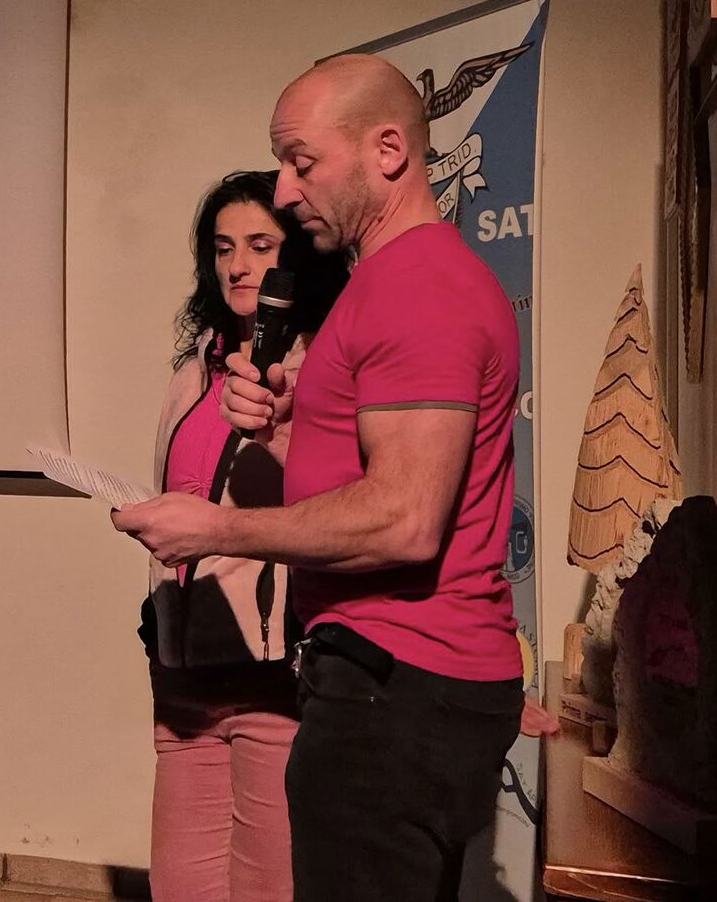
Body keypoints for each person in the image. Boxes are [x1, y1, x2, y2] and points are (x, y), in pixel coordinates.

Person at [113, 53, 554, 902]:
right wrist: (290, 429)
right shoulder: (384, 282)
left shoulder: (417, 287)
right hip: (385, 679)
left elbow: (404, 520)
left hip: (398, 686)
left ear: (388, 150)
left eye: (301, 161)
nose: (284, 189)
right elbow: (381, 476)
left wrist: (217, 528)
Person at [142, 170, 347, 902]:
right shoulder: (194, 366)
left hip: (275, 677)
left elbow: (341, 511)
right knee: (179, 888)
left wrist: (283, 430)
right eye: (224, 247)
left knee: (268, 889)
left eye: (261, 245)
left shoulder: (324, 364)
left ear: (296, 255)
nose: (238, 265)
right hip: (182, 671)